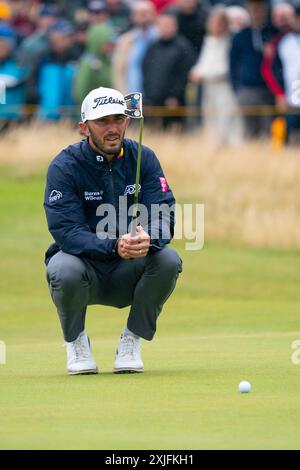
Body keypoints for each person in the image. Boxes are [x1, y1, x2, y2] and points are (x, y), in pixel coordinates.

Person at [44, 86, 182, 375]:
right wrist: (113, 245)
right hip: (85, 270)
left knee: (168, 259)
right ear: (84, 127)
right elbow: (66, 231)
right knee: (62, 268)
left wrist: (149, 238)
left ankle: (131, 340)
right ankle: (76, 341)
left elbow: (164, 212)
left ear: (128, 121)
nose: (112, 128)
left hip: (128, 269)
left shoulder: (143, 157)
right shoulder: (65, 166)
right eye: (102, 121)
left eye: (118, 119)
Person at [189, 6, 243, 147]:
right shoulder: (210, 41)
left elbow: (226, 68)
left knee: (227, 119)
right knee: (210, 120)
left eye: (218, 22)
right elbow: (203, 62)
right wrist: (195, 71)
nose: (215, 26)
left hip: (225, 88)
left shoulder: (231, 41)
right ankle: (213, 150)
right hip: (209, 88)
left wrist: (203, 74)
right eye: (213, 22)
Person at [229, 0, 277, 138]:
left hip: (268, 90)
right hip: (247, 90)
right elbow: (233, 65)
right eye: (252, 8)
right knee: (248, 132)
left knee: (269, 131)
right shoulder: (241, 36)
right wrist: (237, 89)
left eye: (259, 8)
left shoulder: (273, 34)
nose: (256, 12)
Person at [142, 12, 195, 128]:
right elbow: (146, 71)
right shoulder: (153, 47)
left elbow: (183, 75)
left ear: (175, 26)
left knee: (174, 132)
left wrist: (175, 96)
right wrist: (148, 96)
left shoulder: (183, 47)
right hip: (153, 99)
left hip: (174, 101)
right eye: (162, 25)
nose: (165, 28)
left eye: (168, 25)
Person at [113, 0, 157, 95]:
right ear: (132, 16)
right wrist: (123, 96)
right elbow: (118, 72)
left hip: (157, 100)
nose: (143, 17)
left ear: (154, 15)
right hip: (133, 99)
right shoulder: (124, 41)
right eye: (139, 13)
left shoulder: (160, 38)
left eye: (146, 13)